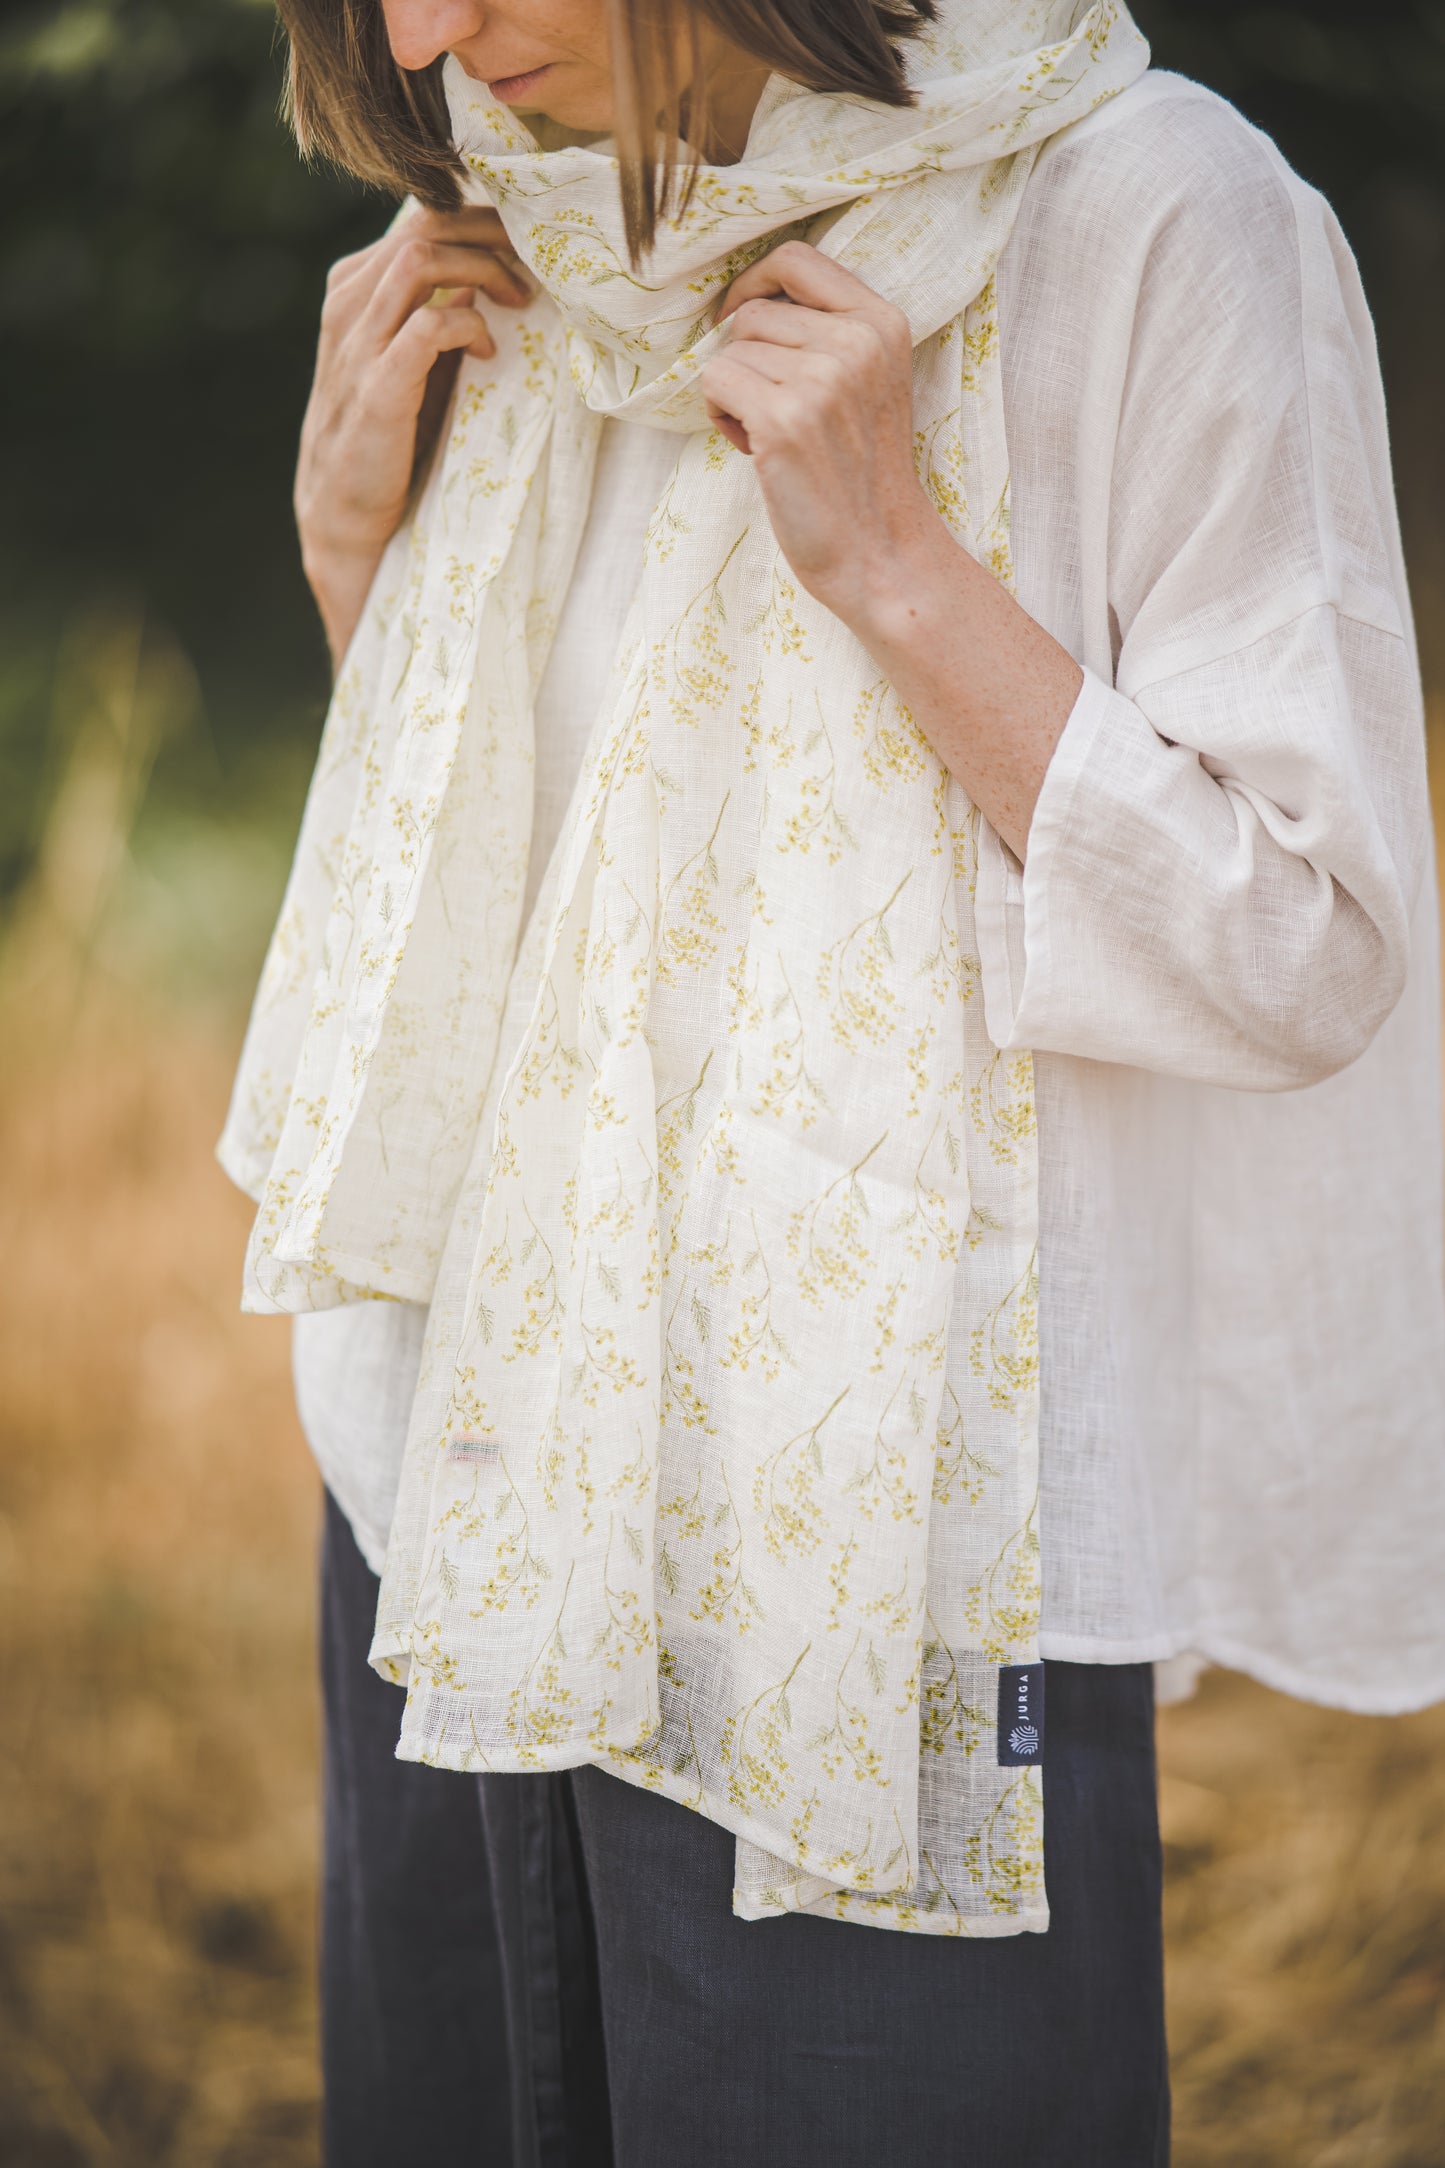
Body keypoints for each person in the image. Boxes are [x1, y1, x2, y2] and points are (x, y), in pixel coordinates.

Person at [219, 0, 1445, 2161]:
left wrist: (904, 572)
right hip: (448, 1482)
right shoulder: (522, 248)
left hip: (875, 1562)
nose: (423, 34)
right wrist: (359, 573)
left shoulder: (1150, 217)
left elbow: (1311, 943)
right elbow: (541, 929)